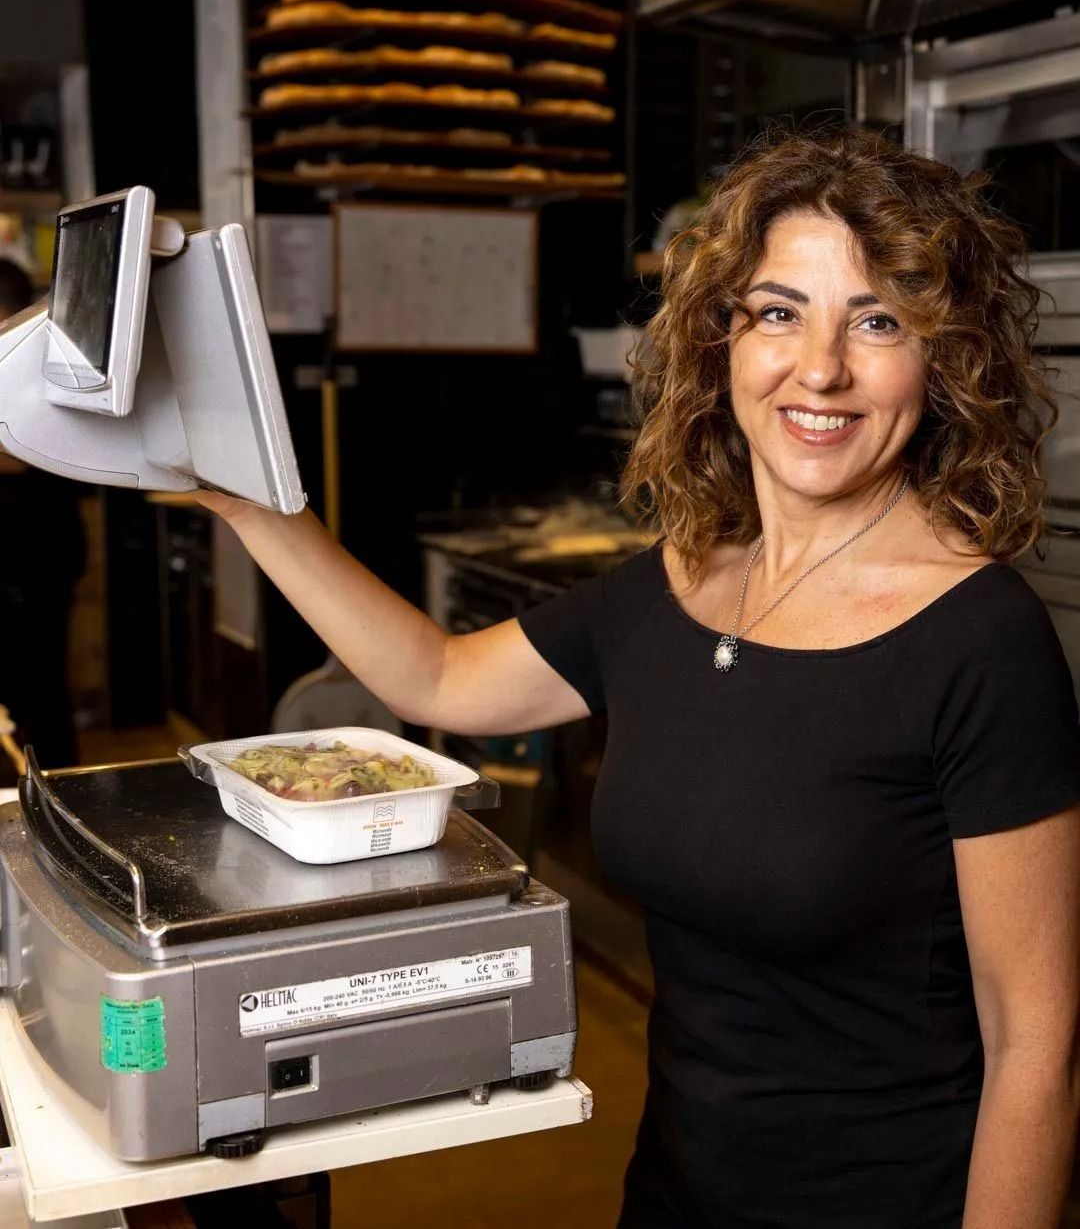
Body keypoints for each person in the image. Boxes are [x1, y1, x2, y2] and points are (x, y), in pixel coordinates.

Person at [199, 127, 1080, 1228]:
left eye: (878, 321)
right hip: (675, 1192)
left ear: (944, 360)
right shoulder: (680, 582)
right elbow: (438, 678)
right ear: (723, 342)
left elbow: (1036, 1046)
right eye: (779, 312)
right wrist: (246, 506)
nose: (820, 368)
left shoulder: (979, 640)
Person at [0, 258, 86, 768]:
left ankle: (57, 798)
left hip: (36, 561)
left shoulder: (40, 365)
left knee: (41, 700)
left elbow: (36, 455)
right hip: (25, 558)